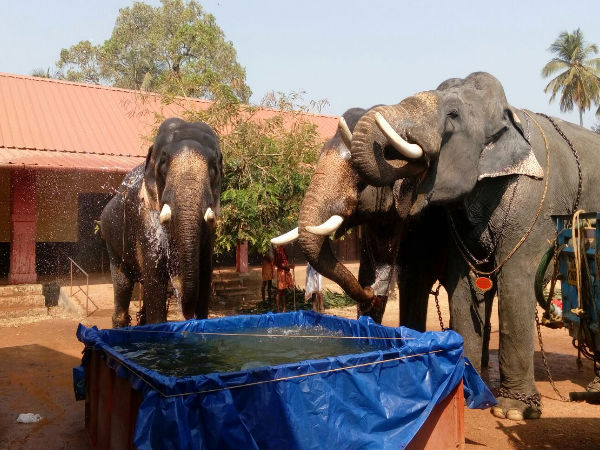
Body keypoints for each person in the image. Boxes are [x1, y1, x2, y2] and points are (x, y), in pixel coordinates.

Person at [273, 245, 294, 312]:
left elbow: (284, 261)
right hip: (281, 272)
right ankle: (278, 308)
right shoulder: (278, 250)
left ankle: (284, 308)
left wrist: (288, 266)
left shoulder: (283, 249)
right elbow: (278, 264)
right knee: (280, 291)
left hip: (284, 271)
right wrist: (289, 266)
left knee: (283, 291)